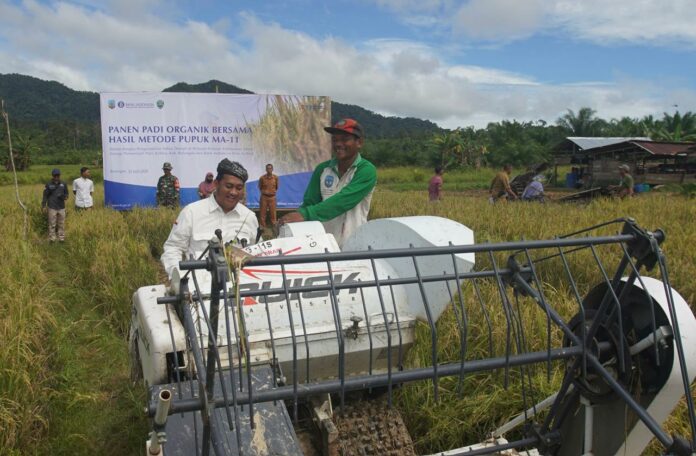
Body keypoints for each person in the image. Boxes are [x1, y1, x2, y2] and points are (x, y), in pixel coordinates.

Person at [279, 118, 377, 247]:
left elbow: (343, 201)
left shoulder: (366, 170)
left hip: (355, 244)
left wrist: (304, 215)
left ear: (359, 142)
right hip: (323, 244)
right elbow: (310, 202)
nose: (338, 144)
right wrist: (292, 221)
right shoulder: (323, 169)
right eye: (335, 140)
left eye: (344, 139)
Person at [161, 159, 259, 279]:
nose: (233, 192)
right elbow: (173, 248)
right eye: (228, 186)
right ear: (216, 184)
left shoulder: (249, 217)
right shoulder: (191, 212)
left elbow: (259, 250)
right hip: (200, 291)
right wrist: (179, 279)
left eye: (239, 188)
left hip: (241, 289)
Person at [41, 168, 69, 242]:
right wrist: (43, 205)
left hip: (61, 207)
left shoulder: (63, 184)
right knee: (52, 224)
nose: (56, 177)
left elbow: (67, 195)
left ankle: (61, 238)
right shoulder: (48, 184)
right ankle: (52, 239)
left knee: (61, 224)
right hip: (52, 207)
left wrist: (63, 196)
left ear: (59, 175)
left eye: (58, 175)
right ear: (52, 176)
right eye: (55, 175)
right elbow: (45, 196)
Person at [258, 163, 279, 229]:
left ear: (272, 169)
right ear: (266, 169)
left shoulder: (275, 178)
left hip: (272, 197)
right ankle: (262, 228)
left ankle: (274, 227)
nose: (269, 170)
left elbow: (277, 187)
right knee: (262, 213)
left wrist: (271, 192)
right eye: (268, 168)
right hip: (264, 197)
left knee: (273, 213)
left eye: (270, 168)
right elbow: (260, 186)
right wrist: (265, 192)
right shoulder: (262, 178)